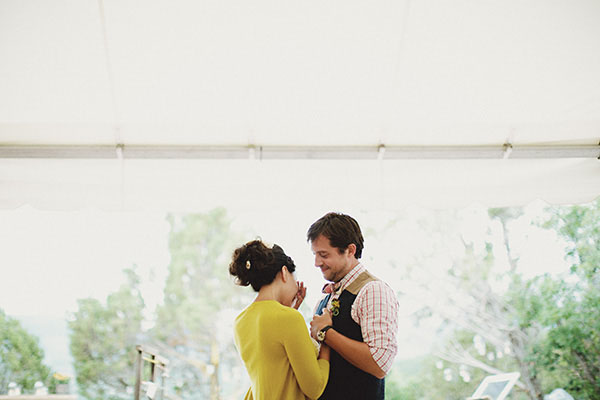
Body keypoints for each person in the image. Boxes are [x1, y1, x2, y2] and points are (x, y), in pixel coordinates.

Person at [308, 212, 399, 400]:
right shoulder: (325, 297)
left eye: (323, 255)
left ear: (350, 250)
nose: (316, 263)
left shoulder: (373, 290)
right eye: (315, 254)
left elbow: (380, 364)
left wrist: (326, 332)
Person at [230, 239, 331, 400]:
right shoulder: (289, 319)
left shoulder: (240, 321)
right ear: (284, 272)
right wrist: (325, 336)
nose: (296, 287)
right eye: (294, 278)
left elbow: (274, 372)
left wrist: (289, 309)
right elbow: (315, 388)